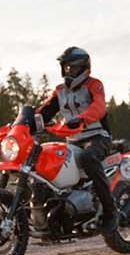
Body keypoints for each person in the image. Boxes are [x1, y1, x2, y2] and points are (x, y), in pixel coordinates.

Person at [38, 45, 118, 228]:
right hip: (73, 140)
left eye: (72, 68)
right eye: (66, 67)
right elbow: (45, 111)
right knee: (47, 161)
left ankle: (110, 212)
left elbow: (99, 107)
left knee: (89, 158)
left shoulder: (94, 85)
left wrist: (82, 118)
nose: (68, 71)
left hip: (98, 137)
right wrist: (23, 123)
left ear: (83, 68)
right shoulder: (60, 90)